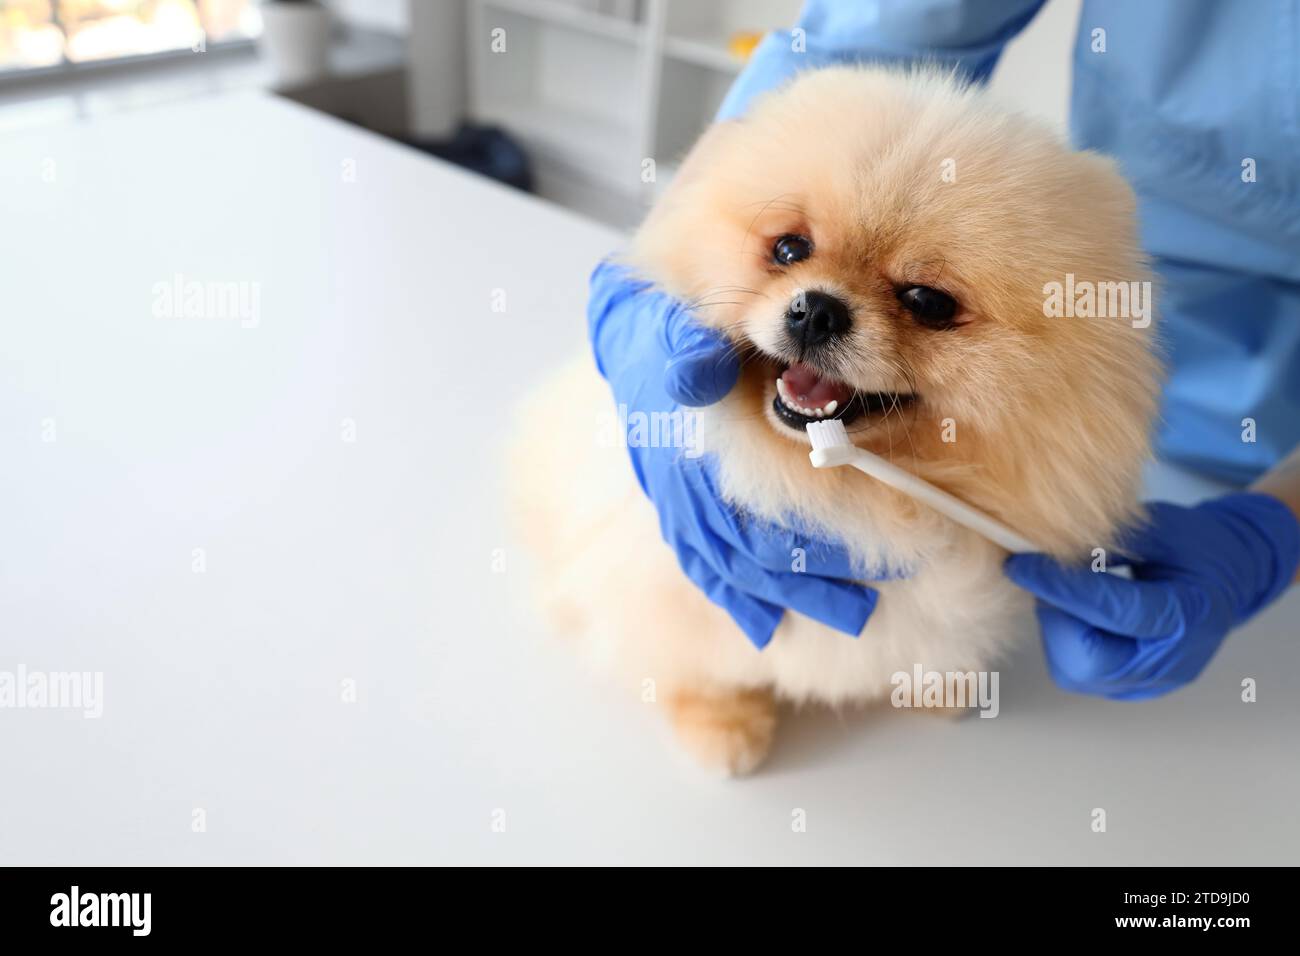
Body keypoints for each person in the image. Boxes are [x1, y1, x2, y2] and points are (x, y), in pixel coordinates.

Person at [587, 0, 1300, 700]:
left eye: (927, 301)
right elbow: (851, 59)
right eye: (790, 248)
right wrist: (648, 269)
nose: (817, 305)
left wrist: (1279, 532)